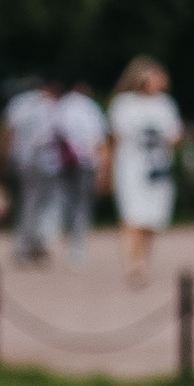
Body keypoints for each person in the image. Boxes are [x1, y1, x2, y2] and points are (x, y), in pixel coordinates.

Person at [106, 59, 184, 286]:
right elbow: (115, 140)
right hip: (131, 167)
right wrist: (108, 171)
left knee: (152, 219)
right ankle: (132, 264)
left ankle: (144, 262)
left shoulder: (166, 104)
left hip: (158, 169)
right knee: (132, 216)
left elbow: (175, 137)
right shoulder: (124, 104)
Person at [0, 78, 66, 264]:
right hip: (45, 163)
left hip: (23, 162)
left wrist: (6, 158)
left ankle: (28, 244)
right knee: (43, 206)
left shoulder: (18, 104)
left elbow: (9, 133)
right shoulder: (50, 106)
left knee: (28, 204)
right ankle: (34, 244)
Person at [49, 77, 108, 263]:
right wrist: (104, 168)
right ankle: (77, 244)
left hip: (63, 163)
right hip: (86, 162)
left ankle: (59, 234)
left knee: (65, 201)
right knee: (82, 204)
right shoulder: (90, 107)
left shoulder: (60, 106)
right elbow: (99, 138)